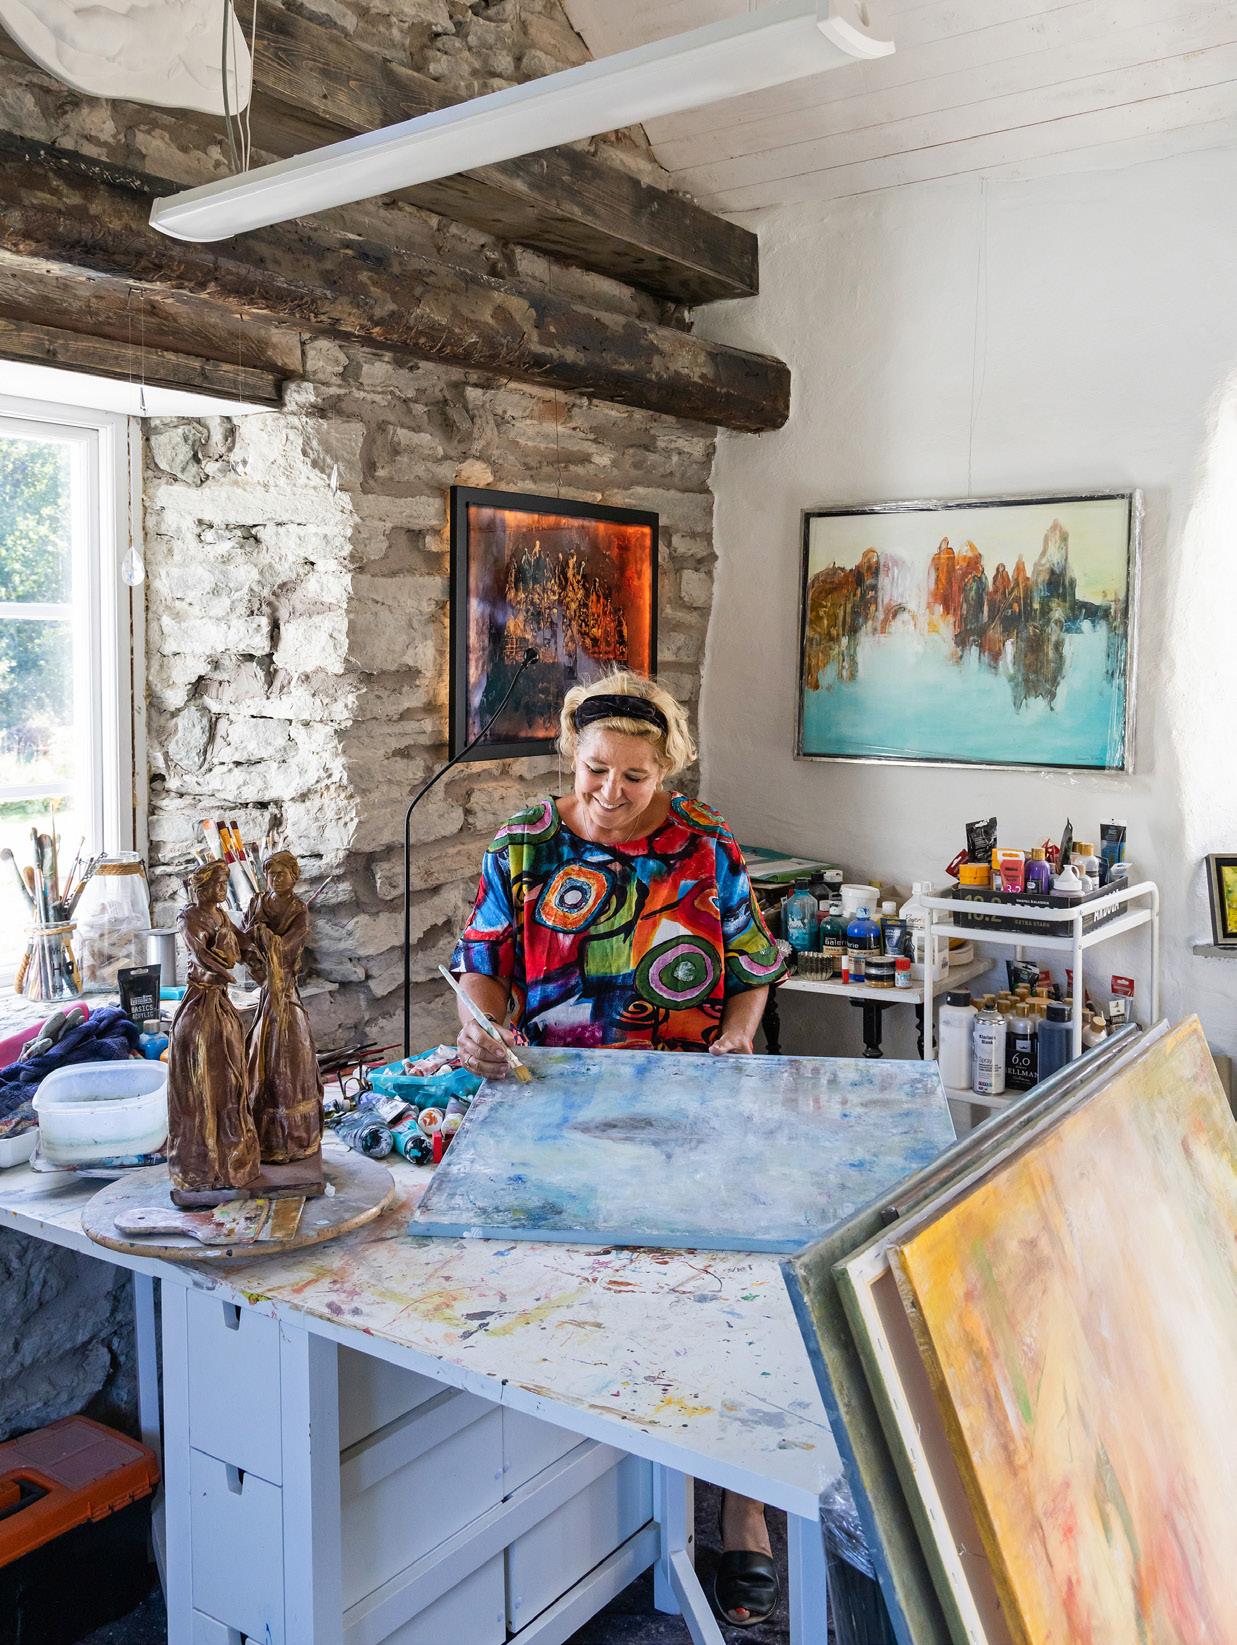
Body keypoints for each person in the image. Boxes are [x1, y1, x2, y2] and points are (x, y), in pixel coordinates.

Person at [450, 671, 787, 1628]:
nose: (611, 791)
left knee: (720, 1301)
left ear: (665, 771)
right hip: (556, 1110)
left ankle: (742, 1511)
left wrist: (740, 1033)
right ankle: (593, 1510)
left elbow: (753, 965)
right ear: (572, 752)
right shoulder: (523, 845)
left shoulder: (704, 845)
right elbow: (483, 968)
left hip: (689, 1105)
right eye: (596, 769)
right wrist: (480, 1028)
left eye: (636, 777)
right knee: (579, 1311)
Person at [167, 859, 259, 1199]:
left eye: (224, 884)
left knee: (232, 1076)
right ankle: (202, 1164)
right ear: (201, 888)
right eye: (217, 885)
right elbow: (204, 956)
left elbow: (242, 942)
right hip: (201, 1002)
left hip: (220, 1001)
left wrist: (257, 944)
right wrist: (228, 962)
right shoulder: (189, 918)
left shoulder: (220, 915)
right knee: (202, 1079)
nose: (222, 890)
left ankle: (231, 1155)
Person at [241, 849, 323, 1164]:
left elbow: (289, 946)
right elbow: (245, 940)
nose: (276, 879)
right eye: (271, 874)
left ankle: (295, 1138)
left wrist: (265, 937)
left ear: (294, 876)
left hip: (285, 988)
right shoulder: (257, 903)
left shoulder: (298, 910)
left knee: (291, 1053)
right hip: (267, 989)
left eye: (282, 874)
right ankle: (265, 1138)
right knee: (261, 1053)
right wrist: (254, 941)